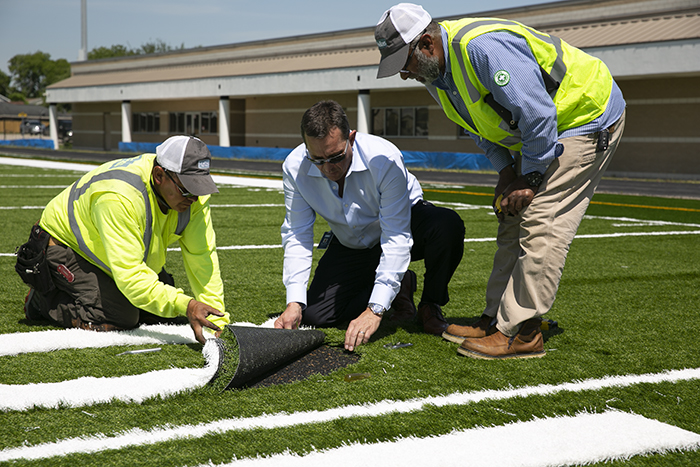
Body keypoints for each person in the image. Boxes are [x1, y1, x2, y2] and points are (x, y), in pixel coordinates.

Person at [374, 3, 626, 359]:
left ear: (426, 44)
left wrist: (532, 177)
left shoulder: (482, 48)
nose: (404, 74)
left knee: (541, 220)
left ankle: (522, 333)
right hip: (540, 131)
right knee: (510, 215)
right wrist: (507, 173)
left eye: (405, 63)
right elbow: (478, 127)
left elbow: (538, 115)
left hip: (584, 117)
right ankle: (495, 320)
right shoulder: (436, 75)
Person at [274, 100, 465, 351]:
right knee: (317, 316)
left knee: (446, 225)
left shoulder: (384, 158)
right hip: (351, 240)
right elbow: (297, 233)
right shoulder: (294, 166)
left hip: (404, 225)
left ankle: (430, 305)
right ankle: (400, 286)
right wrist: (294, 302)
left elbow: (396, 236)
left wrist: (375, 310)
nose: (328, 168)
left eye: (336, 157)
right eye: (317, 160)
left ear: (351, 138)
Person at [17, 135, 229, 344]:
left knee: (161, 311)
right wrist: (187, 305)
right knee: (120, 315)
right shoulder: (118, 196)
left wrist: (217, 319)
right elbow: (131, 278)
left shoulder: (194, 198)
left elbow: (202, 257)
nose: (193, 198)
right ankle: (43, 301)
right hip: (62, 246)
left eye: (199, 188)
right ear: (158, 175)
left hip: (106, 253)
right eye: (187, 189)